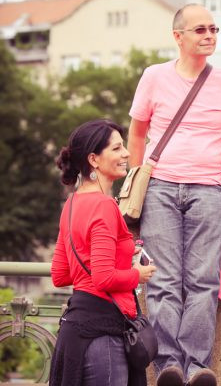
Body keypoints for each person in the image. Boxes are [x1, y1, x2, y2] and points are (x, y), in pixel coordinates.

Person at [127, 3, 221, 386]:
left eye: (213, 28)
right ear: (178, 37)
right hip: (160, 187)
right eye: (200, 30)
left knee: (202, 281)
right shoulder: (154, 77)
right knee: (161, 281)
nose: (209, 35)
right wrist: (136, 180)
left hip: (208, 190)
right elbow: (138, 132)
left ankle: (196, 365)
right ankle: (167, 366)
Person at [50, 119, 157, 386]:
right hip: (103, 334)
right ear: (94, 160)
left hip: (76, 331)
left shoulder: (71, 204)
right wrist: (137, 274)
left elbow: (60, 275)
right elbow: (103, 278)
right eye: (117, 149)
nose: (126, 154)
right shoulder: (105, 206)